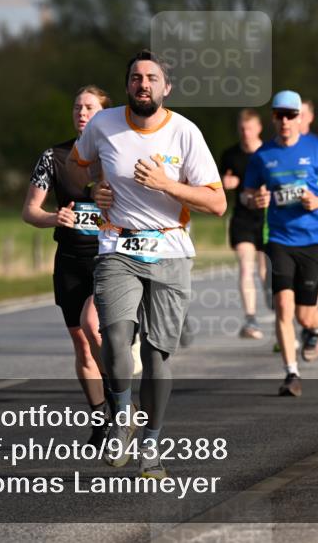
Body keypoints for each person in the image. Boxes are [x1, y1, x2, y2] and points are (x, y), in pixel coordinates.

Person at [71, 50, 225, 479]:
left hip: (170, 252)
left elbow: (216, 201)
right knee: (114, 339)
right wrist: (94, 189)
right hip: (116, 247)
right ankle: (122, 415)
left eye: (152, 78)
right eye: (137, 78)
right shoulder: (103, 124)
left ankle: (152, 443)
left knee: (158, 357)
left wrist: (166, 185)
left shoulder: (185, 133)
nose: (144, 84)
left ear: (165, 87)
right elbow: (75, 166)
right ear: (127, 86)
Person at [23, 85, 113, 446]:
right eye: (77, 107)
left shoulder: (116, 153)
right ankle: (100, 418)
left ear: (103, 114)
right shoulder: (53, 156)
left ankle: (120, 401)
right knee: (81, 343)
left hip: (108, 257)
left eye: (89, 107)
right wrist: (54, 219)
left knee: (94, 327)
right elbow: (29, 210)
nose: (81, 112)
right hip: (69, 259)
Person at [243, 91, 318, 397]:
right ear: (273, 118)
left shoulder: (317, 148)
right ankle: (291, 373)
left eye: (291, 115)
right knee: (283, 307)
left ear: (301, 117)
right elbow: (247, 194)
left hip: (312, 238)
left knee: (305, 315)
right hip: (278, 239)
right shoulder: (263, 155)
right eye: (279, 115)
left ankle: (317, 324)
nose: (285, 121)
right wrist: (254, 199)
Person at [218, 109, 268, 340]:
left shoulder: (270, 153)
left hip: (268, 219)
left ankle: (276, 308)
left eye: (249, 128)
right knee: (246, 267)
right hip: (243, 218)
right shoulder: (230, 155)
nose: (245, 133)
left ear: (258, 129)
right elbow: (216, 184)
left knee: (265, 271)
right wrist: (225, 183)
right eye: (242, 128)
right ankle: (250, 319)